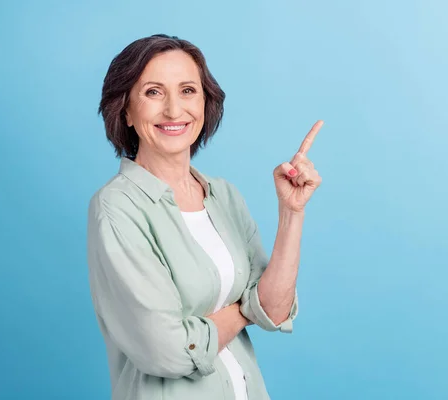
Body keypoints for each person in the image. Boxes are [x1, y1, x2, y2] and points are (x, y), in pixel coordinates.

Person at [87, 34, 323, 400]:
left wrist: (292, 212)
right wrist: (248, 308)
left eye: (187, 90)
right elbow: (167, 351)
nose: (173, 110)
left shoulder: (224, 195)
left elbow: (274, 310)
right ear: (126, 110)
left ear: (205, 101)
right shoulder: (117, 207)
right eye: (153, 92)